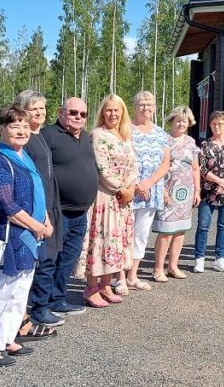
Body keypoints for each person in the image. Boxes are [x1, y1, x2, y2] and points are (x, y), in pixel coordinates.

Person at [0, 104, 50, 367]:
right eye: (14, 125)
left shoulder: (23, 157)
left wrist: (46, 219)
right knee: (2, 292)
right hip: (11, 236)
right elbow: (6, 204)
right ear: (2, 129)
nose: (21, 130)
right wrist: (35, 226)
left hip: (29, 236)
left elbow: (35, 193)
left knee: (19, 292)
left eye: (25, 125)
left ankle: (8, 337)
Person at [14, 91, 66, 333]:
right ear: (22, 110)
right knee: (41, 260)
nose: (39, 112)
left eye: (42, 108)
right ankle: (38, 309)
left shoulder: (40, 136)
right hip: (36, 208)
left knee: (50, 257)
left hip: (50, 204)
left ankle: (41, 306)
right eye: (33, 108)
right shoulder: (24, 141)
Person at [40, 97, 98, 316]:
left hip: (80, 213)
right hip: (58, 212)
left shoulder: (85, 137)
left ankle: (58, 299)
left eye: (83, 114)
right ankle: (42, 305)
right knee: (50, 260)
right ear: (60, 112)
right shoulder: (48, 136)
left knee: (68, 260)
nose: (78, 117)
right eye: (73, 112)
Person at [80, 94, 137, 308]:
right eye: (109, 110)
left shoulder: (125, 136)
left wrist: (130, 188)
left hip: (123, 199)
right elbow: (101, 167)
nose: (113, 114)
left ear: (123, 113)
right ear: (102, 112)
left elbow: (133, 166)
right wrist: (121, 189)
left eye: (117, 110)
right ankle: (91, 288)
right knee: (101, 241)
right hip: (105, 195)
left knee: (116, 243)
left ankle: (106, 285)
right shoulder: (98, 135)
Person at [126, 91, 171, 292]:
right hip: (128, 190)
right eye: (142, 104)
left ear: (154, 107)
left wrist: (148, 184)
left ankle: (132, 275)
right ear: (134, 107)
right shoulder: (126, 129)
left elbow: (165, 163)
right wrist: (137, 184)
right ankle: (118, 276)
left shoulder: (161, 133)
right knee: (122, 234)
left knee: (141, 234)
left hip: (151, 191)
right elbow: (122, 159)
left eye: (149, 104)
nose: (146, 108)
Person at [151, 106, 200, 281]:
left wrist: (197, 190)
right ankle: (158, 268)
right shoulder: (163, 140)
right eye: (178, 120)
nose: (181, 124)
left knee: (180, 231)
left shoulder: (191, 142)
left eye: (184, 121)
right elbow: (156, 167)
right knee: (166, 231)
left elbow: (195, 168)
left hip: (185, 193)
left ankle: (173, 266)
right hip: (167, 190)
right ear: (172, 121)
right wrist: (162, 190)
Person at [194, 111, 224, 273]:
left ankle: (219, 258)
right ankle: (199, 258)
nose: (217, 126)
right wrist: (220, 181)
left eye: (220, 123)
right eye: (214, 123)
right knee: (203, 226)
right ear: (210, 125)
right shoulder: (204, 145)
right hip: (208, 191)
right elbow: (202, 168)